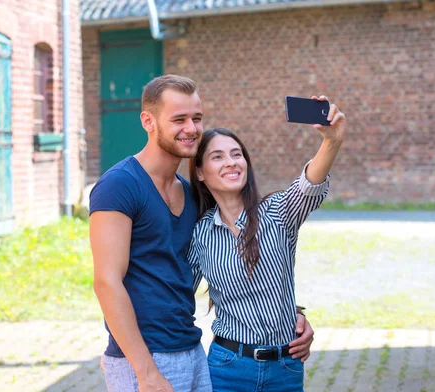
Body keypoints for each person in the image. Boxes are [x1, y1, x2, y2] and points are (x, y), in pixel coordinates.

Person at [89, 74, 315, 392]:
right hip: (148, 361)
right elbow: (106, 282)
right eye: (179, 119)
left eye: (197, 118)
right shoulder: (119, 185)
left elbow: (227, 262)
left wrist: (290, 313)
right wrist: (142, 368)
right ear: (148, 121)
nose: (192, 128)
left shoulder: (191, 195)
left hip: (192, 350)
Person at [187, 98, 346, 392]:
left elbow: (309, 186)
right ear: (199, 172)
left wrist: (331, 141)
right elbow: (177, 295)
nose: (231, 162)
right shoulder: (200, 233)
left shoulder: (278, 212)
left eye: (237, 154)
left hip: (285, 366)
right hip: (227, 368)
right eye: (218, 157)